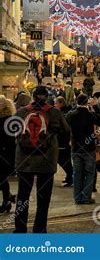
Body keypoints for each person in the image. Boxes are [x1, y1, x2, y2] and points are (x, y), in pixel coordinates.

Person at [14, 86, 70, 233]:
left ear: (33, 96)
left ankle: (20, 228)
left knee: (23, 195)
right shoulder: (55, 112)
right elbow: (66, 131)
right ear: (47, 97)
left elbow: (13, 133)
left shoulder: (21, 111)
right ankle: (39, 228)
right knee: (43, 197)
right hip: (46, 160)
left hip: (24, 160)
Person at [66, 94, 100, 205]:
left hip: (76, 148)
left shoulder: (71, 114)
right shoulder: (90, 114)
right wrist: (95, 106)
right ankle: (86, 197)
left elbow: (65, 119)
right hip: (89, 148)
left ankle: (77, 198)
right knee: (89, 173)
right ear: (87, 102)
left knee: (77, 174)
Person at [0, 96, 17, 213]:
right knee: (2, 178)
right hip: (7, 154)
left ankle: (7, 200)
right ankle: (7, 199)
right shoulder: (11, 120)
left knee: (1, 178)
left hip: (5, 155)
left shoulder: (7, 121)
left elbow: (8, 140)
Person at [54, 97, 73, 186]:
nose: (54, 105)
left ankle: (71, 177)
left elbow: (65, 128)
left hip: (63, 141)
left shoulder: (64, 113)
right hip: (63, 140)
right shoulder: (65, 112)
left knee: (63, 160)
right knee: (65, 160)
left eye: (56, 103)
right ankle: (70, 177)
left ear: (61, 103)